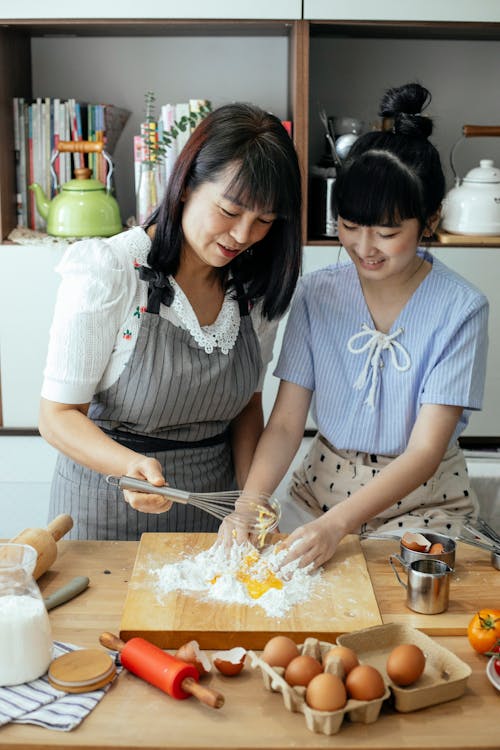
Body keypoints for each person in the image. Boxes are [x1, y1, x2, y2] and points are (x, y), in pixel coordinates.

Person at [220, 83, 489, 569]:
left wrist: (338, 525)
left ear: (429, 221)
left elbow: (425, 451)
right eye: (349, 225)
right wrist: (249, 505)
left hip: (424, 506)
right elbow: (284, 424)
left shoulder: (460, 308)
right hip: (317, 495)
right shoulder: (317, 293)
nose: (365, 246)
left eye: (387, 233)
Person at [39, 102, 302, 540]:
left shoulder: (251, 291)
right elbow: (58, 415)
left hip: (213, 519)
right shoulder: (111, 271)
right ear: (185, 186)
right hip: (107, 515)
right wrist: (128, 466)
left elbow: (247, 408)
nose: (243, 235)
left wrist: (248, 504)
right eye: (230, 211)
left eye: (265, 221)